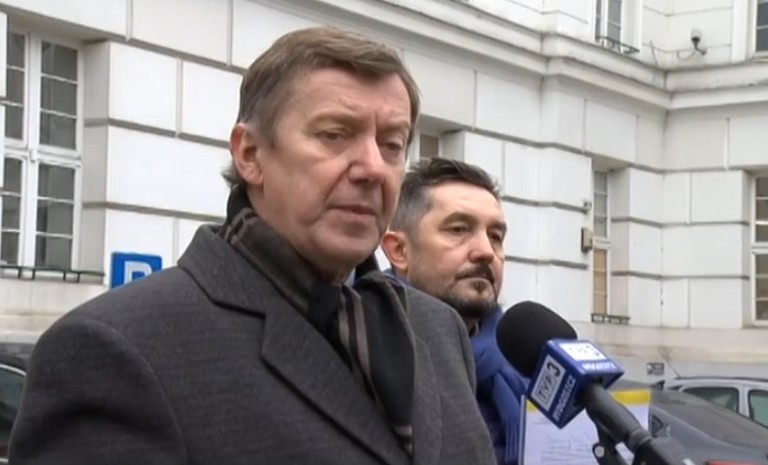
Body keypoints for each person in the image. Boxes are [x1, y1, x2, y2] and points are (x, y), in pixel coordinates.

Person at [9, 27, 496, 465]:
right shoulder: (117, 349)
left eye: (392, 144)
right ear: (250, 154)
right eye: (334, 135)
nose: (372, 167)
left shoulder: (439, 330)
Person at [380, 157, 528, 465]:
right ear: (399, 251)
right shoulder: (361, 358)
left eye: (495, 236)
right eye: (458, 229)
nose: (486, 251)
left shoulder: (523, 369)